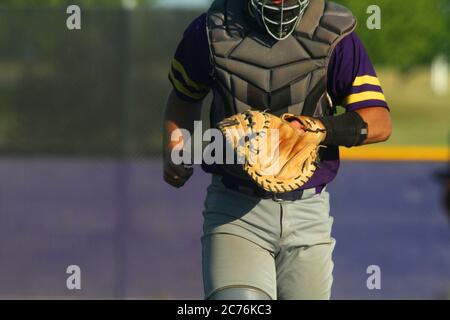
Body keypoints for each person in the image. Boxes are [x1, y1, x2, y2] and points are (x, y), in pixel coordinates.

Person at [163, 0, 392, 300]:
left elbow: (379, 121)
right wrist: (175, 145)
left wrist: (317, 130)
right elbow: (184, 96)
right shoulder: (211, 29)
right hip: (236, 211)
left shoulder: (334, 31)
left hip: (308, 211)